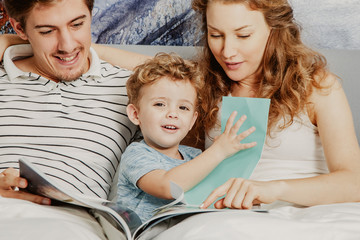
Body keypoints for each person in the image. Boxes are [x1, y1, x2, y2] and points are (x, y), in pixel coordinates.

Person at [189, 0, 360, 210]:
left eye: (243, 35)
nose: (227, 51)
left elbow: (355, 183)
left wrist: (273, 189)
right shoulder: (202, 84)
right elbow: (144, 68)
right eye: (215, 35)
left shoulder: (317, 86)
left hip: (312, 213)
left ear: (274, 28)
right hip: (228, 217)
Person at [0, 0, 142, 239]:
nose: (67, 46)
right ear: (20, 29)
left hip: (71, 225)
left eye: (77, 24)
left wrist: (93, 49)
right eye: (47, 31)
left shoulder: (129, 86)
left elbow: (201, 80)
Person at [116, 52, 256, 222]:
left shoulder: (194, 156)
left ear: (192, 121)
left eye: (183, 108)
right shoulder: (137, 154)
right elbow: (167, 187)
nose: (173, 114)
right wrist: (217, 152)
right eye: (160, 104)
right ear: (135, 114)